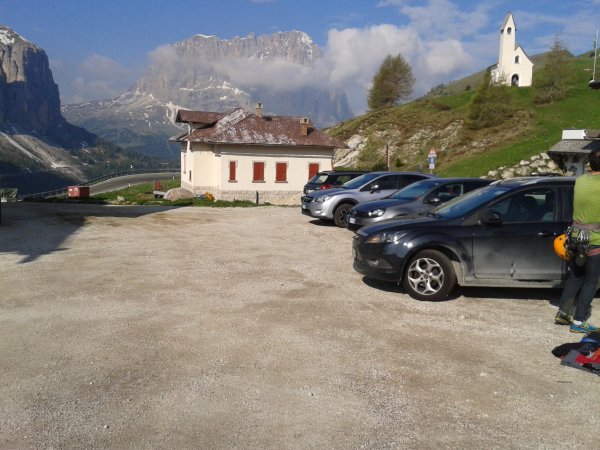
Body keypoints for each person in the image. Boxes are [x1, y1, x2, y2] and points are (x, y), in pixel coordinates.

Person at [555, 147, 600, 333]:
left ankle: (563, 313)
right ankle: (579, 322)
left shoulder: (580, 181)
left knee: (575, 276)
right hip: (595, 240)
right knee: (591, 281)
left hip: (575, 238)